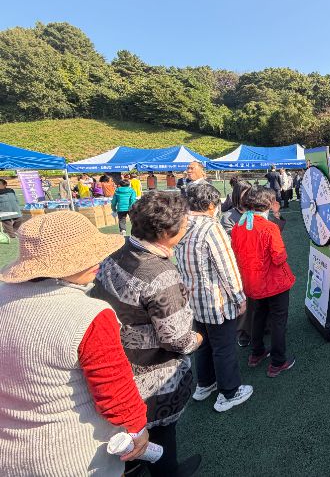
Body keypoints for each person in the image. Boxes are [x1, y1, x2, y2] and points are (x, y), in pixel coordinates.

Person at [0, 211, 148, 476]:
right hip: (71, 454)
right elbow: (114, 392)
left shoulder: (4, 295)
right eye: (84, 256)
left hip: (9, 448)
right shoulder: (89, 314)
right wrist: (137, 427)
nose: (96, 260)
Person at [92, 191, 203, 476]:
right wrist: (198, 339)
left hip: (116, 366)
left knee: (132, 442)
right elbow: (177, 339)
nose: (187, 227)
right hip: (153, 378)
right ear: (166, 233)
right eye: (184, 223)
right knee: (161, 438)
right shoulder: (160, 273)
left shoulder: (117, 253)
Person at [175, 184, 254, 411]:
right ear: (211, 205)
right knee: (224, 347)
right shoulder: (211, 228)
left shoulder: (181, 224)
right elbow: (227, 268)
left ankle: (205, 383)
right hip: (216, 301)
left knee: (204, 344)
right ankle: (229, 392)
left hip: (194, 299)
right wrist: (240, 298)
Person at [231, 186, 296, 378]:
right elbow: (279, 257)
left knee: (257, 316)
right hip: (274, 283)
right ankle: (278, 361)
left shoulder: (238, 226)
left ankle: (256, 352)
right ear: (268, 203)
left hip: (251, 282)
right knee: (278, 321)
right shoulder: (269, 227)